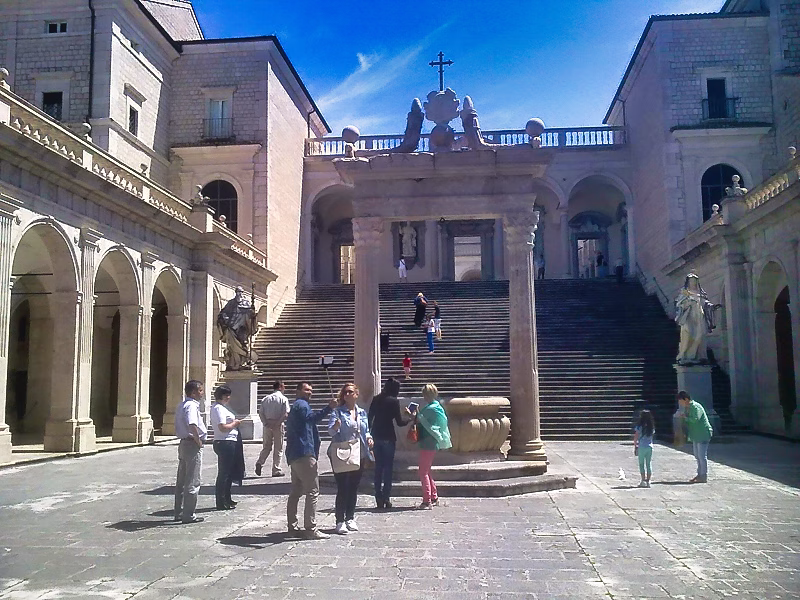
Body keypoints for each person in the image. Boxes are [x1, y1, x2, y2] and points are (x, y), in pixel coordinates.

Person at [285, 382, 337, 539]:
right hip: (304, 453)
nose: (310, 392)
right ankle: (310, 528)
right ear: (298, 390)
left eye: (311, 390)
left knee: (296, 491)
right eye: (306, 389)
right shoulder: (302, 405)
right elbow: (311, 419)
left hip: (294, 453)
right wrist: (329, 408)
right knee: (313, 492)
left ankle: (292, 526)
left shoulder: (298, 405)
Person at [328, 383, 373, 534]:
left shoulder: (362, 412)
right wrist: (335, 426)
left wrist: (369, 438)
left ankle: (350, 517)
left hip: (358, 452)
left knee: (353, 487)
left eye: (350, 392)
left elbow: (365, 430)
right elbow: (331, 432)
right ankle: (339, 520)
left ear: (356, 394)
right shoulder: (338, 412)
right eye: (345, 392)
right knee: (343, 487)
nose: (347, 394)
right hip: (342, 452)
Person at [406, 383, 451, 509]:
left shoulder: (430, 408)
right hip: (432, 441)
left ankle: (427, 500)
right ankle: (434, 496)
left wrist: (414, 415)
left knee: (423, 471)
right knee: (427, 470)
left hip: (428, 441)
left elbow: (422, 421)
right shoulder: (437, 406)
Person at [368, 378, 409, 509]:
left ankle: (378, 496)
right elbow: (399, 422)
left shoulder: (376, 399)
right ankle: (386, 497)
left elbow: (369, 418)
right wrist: (409, 418)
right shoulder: (394, 401)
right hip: (388, 437)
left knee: (378, 468)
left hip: (376, 436)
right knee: (388, 469)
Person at [174, 380, 207, 524]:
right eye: (200, 390)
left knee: (181, 479)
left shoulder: (181, 405)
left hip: (183, 443)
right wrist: (198, 441)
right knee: (192, 480)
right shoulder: (192, 406)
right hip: (191, 443)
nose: (202, 393)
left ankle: (179, 511)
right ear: (193, 392)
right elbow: (192, 424)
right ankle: (188, 514)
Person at [211, 385, 243, 510]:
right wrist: (235, 423)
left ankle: (227, 498)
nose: (228, 397)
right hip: (224, 441)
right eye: (226, 395)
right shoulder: (218, 408)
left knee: (228, 472)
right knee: (224, 473)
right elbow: (222, 427)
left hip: (229, 441)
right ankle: (221, 500)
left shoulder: (222, 408)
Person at [216, 286, 257, 371]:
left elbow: (250, 315)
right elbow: (223, 313)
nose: (239, 294)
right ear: (236, 292)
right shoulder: (231, 303)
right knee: (232, 346)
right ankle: (234, 363)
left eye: (241, 292)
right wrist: (224, 318)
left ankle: (243, 362)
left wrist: (252, 314)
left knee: (243, 345)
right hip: (231, 327)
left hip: (242, 328)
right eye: (238, 292)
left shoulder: (246, 303)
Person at [255, 379, 290, 477]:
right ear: (280, 387)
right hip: (278, 424)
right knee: (278, 447)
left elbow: (261, 412)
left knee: (266, 446)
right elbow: (285, 413)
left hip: (267, 424)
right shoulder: (283, 399)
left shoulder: (266, 398)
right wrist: (278, 423)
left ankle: (260, 462)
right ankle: (276, 469)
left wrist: (265, 423)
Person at [677, 391, 713, 483]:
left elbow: (695, 419)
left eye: (681, 401)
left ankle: (703, 475)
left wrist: (685, 417)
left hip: (703, 433)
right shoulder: (688, 408)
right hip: (695, 434)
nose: (680, 403)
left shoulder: (695, 407)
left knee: (702, 455)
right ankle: (699, 474)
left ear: (686, 399)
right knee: (697, 455)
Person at [633, 409, 655, 488]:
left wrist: (635, 445)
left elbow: (636, 436)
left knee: (641, 464)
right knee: (648, 464)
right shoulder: (651, 427)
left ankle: (643, 480)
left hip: (642, 446)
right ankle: (648, 481)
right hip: (650, 446)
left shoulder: (639, 426)